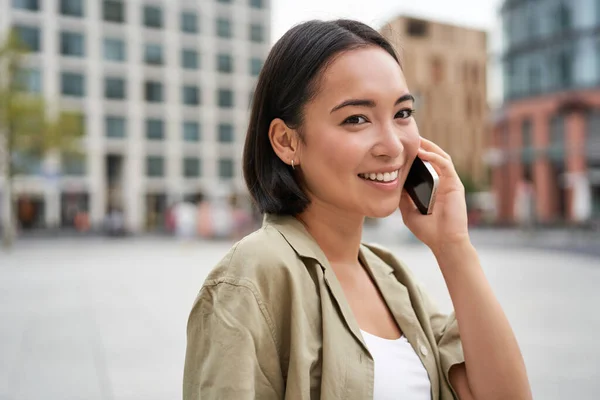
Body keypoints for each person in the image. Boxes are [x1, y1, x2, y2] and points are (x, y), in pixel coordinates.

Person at [184, 20, 532, 400]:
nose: (393, 146)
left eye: (402, 113)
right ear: (286, 141)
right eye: (356, 119)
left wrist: (454, 247)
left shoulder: (391, 279)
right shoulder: (255, 275)